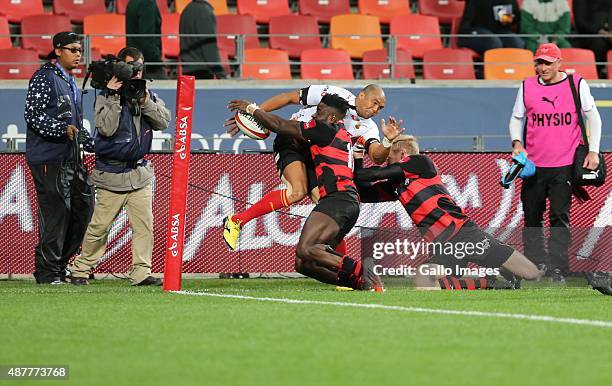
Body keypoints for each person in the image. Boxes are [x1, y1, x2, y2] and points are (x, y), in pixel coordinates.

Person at [228, 94, 386, 290]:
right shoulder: (343, 135)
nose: (314, 114)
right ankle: (358, 283)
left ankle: (364, 272)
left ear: (331, 118)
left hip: (337, 201)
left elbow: (279, 125)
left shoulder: (323, 129)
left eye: (320, 111)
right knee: (303, 263)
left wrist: (252, 108)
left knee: (307, 248)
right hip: (347, 203)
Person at [223, 84, 402, 251]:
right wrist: (254, 116)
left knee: (332, 210)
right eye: (375, 103)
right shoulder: (334, 93)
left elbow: (377, 157)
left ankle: (342, 271)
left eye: (380, 108)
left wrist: (387, 141)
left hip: (314, 152)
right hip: (292, 140)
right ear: (362, 95)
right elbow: (288, 98)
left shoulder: (368, 128)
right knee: (296, 192)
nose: (376, 110)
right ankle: (236, 221)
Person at [353, 135, 544, 289]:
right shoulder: (395, 185)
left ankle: (500, 271)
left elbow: (370, 175)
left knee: (531, 273)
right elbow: (363, 189)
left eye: (389, 159)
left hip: (465, 235)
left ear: (403, 154)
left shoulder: (420, 162)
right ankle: (488, 283)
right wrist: (358, 159)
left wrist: (360, 155)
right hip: (443, 245)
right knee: (424, 283)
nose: (387, 163)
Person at [70, 47, 171, 286]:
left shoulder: (147, 93)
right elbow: (106, 128)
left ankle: (140, 272)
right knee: (99, 227)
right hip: (111, 174)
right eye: (131, 67)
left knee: (144, 227)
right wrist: (113, 95)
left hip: (139, 174)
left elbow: (163, 121)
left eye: (139, 67)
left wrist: (144, 100)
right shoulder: (106, 95)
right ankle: (80, 269)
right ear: (120, 67)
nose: (136, 72)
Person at [508, 43, 602, 282]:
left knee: (559, 217)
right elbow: (516, 118)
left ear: (560, 63)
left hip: (565, 163)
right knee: (531, 217)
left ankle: (558, 268)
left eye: (548, 63)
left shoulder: (576, 83)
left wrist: (593, 151)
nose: (543, 67)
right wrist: (517, 142)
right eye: (539, 62)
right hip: (534, 165)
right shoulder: (527, 86)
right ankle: (534, 266)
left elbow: (594, 117)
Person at [24, 31, 95, 284]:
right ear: (58, 51)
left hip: (71, 157)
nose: (78, 54)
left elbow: (72, 122)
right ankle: (47, 272)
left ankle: (61, 264)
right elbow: (32, 114)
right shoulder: (45, 78)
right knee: (57, 213)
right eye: (73, 49)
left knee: (83, 208)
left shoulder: (70, 81)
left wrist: (87, 140)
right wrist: (60, 129)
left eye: (80, 50)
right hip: (48, 157)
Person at [458, 0, 525, 57]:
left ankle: (511, 71)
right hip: (472, 30)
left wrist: (509, 19)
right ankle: (491, 71)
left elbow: (513, 17)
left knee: (517, 43)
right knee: (494, 43)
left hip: (498, 31)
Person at [180, 0, 227, 79]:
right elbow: (208, 46)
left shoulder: (187, 9)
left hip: (188, 68)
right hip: (202, 71)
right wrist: (220, 73)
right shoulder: (204, 11)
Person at [126, 0, 166, 79]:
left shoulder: (133, 2)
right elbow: (147, 39)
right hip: (148, 66)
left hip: (134, 61)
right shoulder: (147, 2)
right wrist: (156, 61)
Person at [573, 0, 612, 77]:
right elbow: (581, 22)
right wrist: (601, 32)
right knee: (599, 44)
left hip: (609, 32)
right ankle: (599, 72)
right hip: (589, 35)